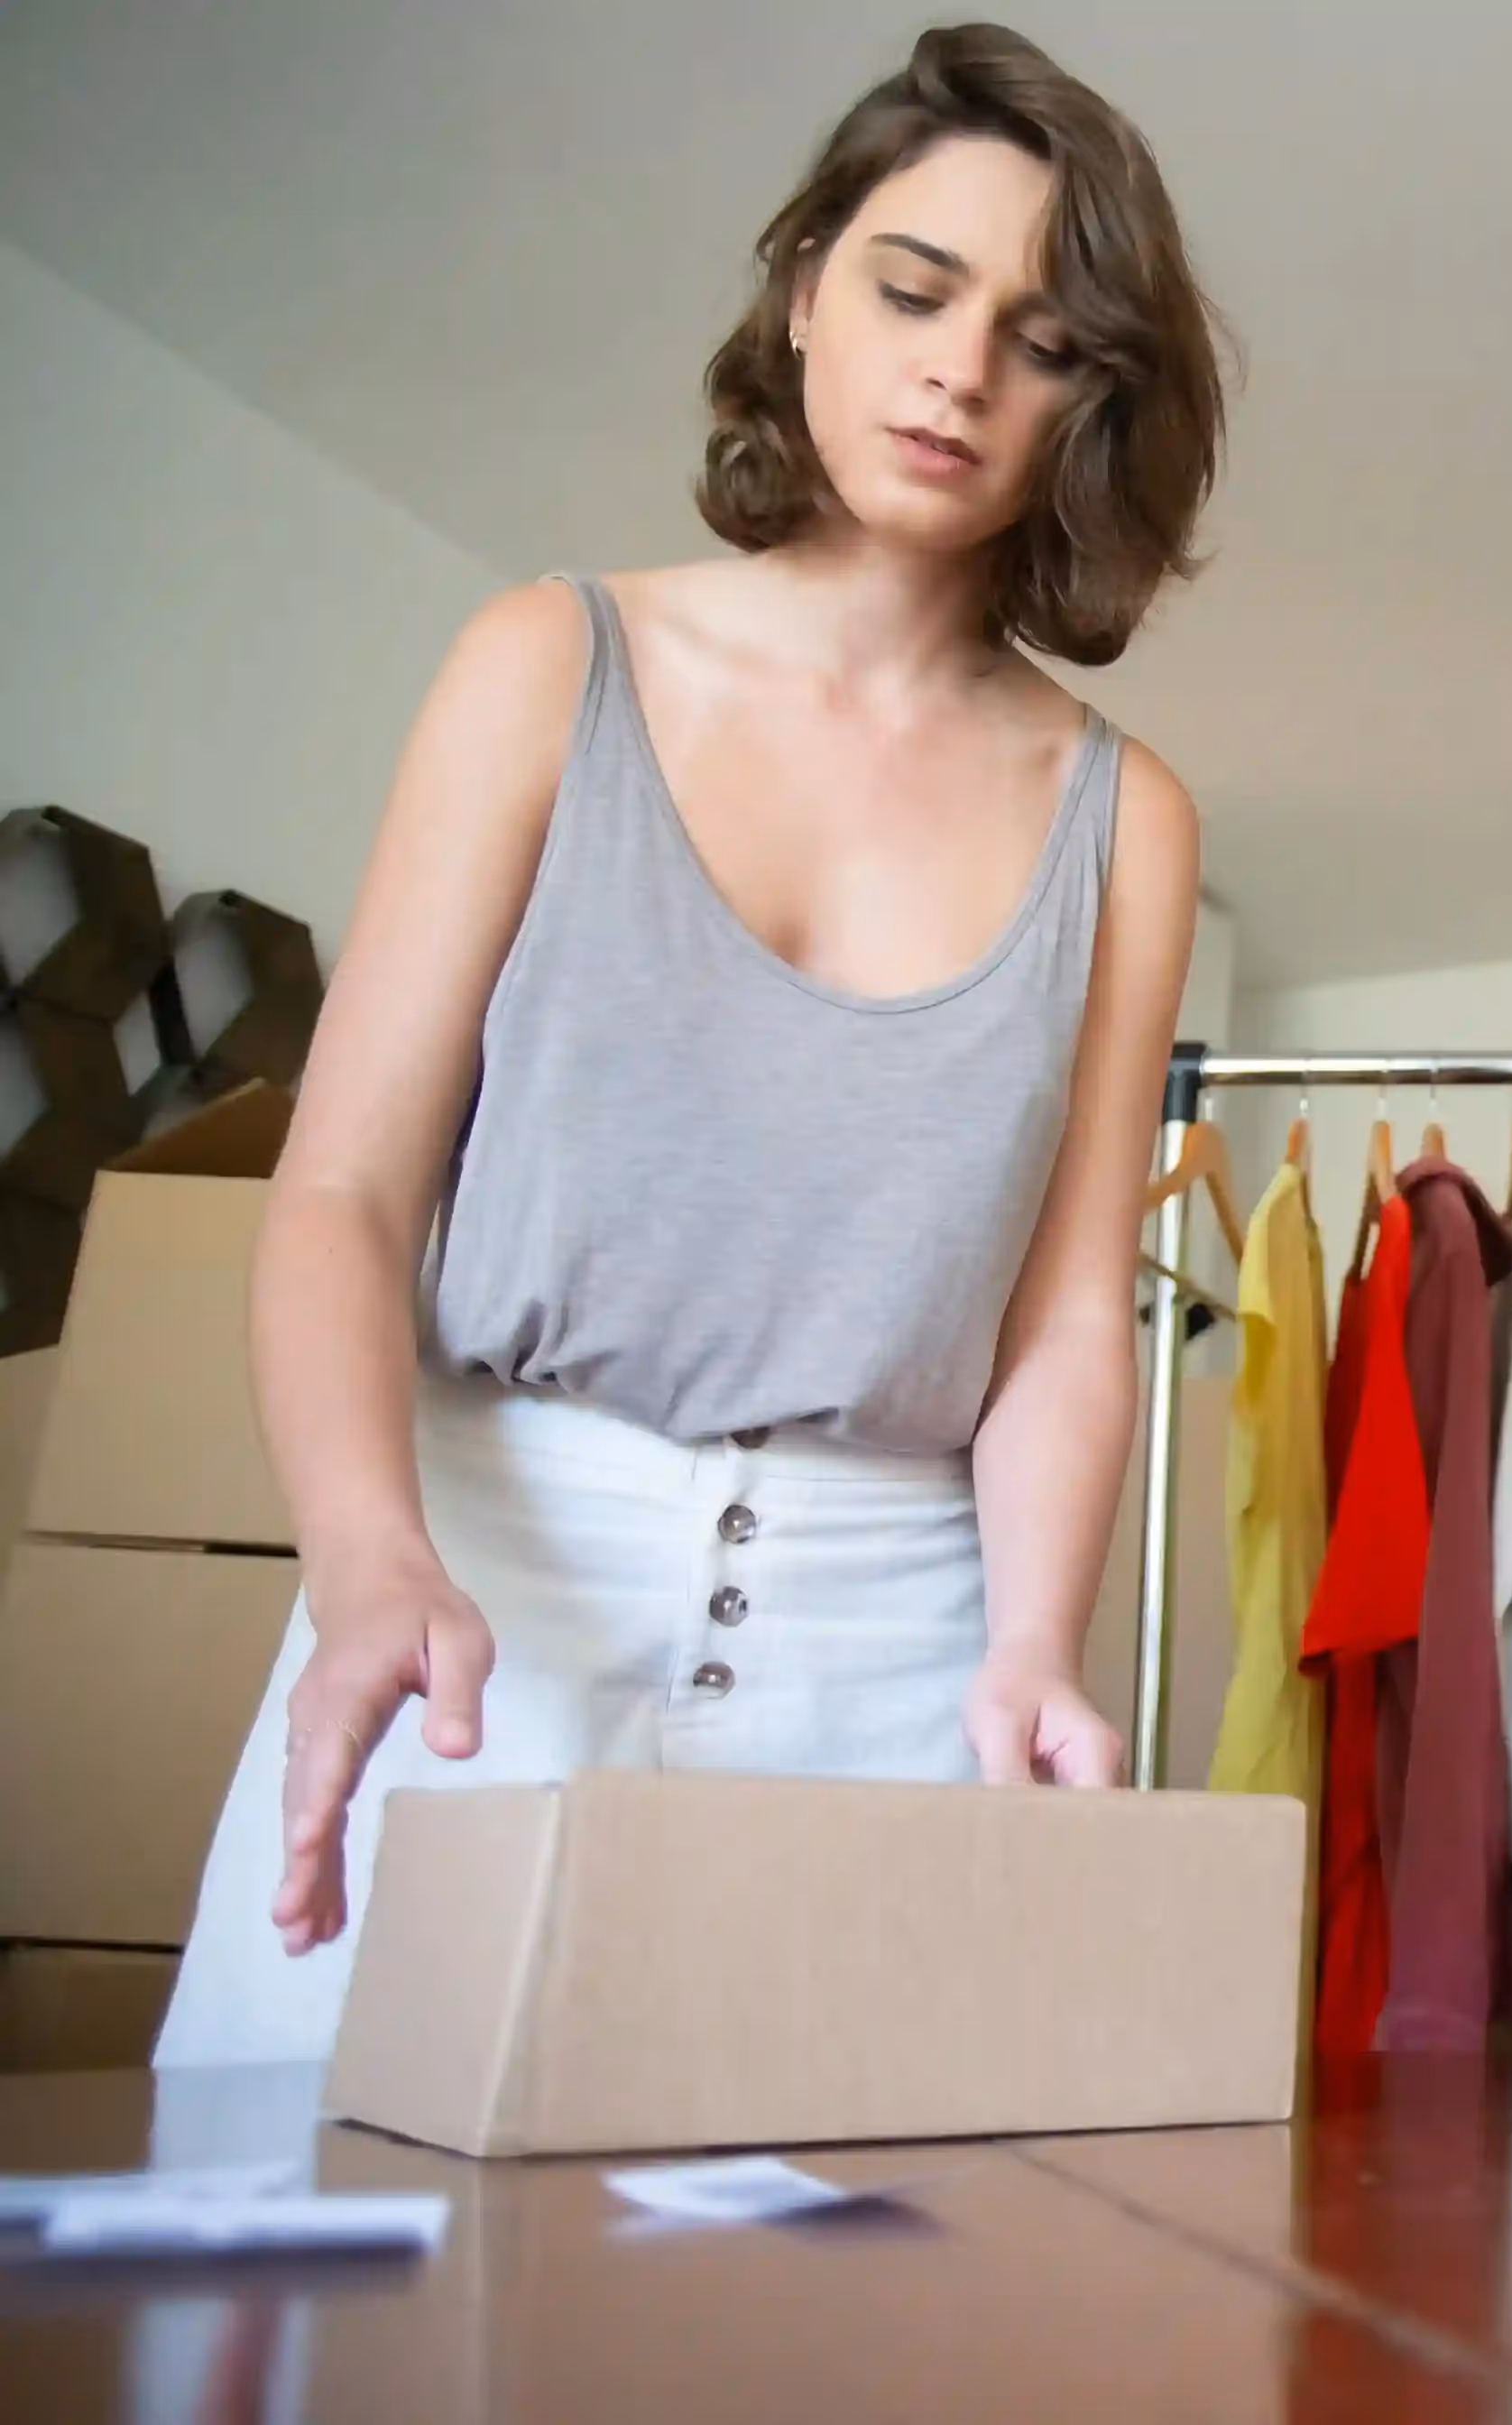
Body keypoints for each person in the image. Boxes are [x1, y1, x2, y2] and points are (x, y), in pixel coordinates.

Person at [152, 23, 1230, 2068]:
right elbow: (347, 1195)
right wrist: (367, 1559)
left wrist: (1027, 1643)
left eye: (1042, 338)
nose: (957, 371)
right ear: (809, 285)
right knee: (326, 2297)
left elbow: (1071, 1328)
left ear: (1092, 400)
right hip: (481, 1608)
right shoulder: (544, 664)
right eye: (914, 291)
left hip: (898, 1646)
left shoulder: (1129, 821)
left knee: (815, 2314)